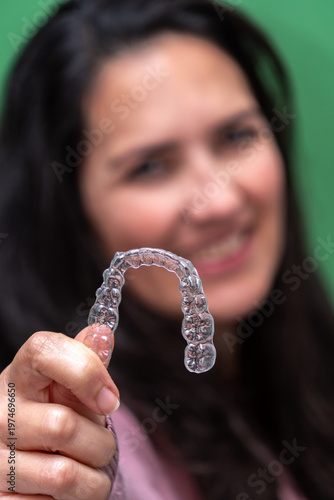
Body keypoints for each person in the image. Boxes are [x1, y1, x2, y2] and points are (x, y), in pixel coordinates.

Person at [0, 0, 334, 498]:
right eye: (150, 167)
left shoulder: (308, 380)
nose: (218, 199)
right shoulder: (82, 446)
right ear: (70, 211)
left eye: (236, 135)